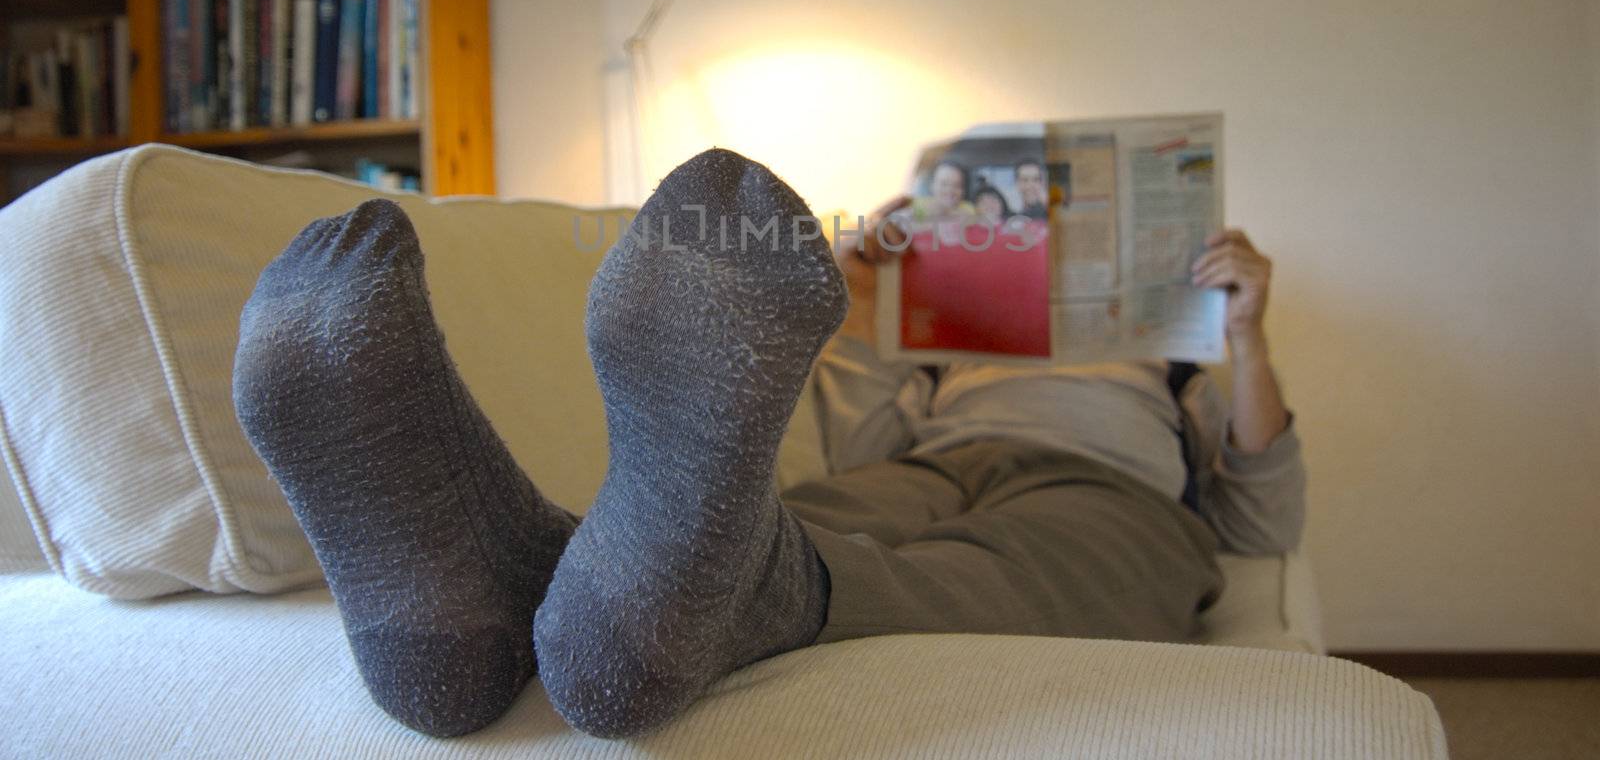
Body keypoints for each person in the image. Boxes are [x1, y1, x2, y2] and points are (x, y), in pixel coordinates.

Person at [232, 148, 1303, 742]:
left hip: (1099, 489)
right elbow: (848, 432)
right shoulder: (950, 354)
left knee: (1000, 566)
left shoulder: (1178, 371)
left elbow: (1263, 518)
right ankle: (522, 590)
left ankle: (481, 619)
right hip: (919, 462)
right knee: (798, 517)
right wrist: (873, 294)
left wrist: (1245, 336)